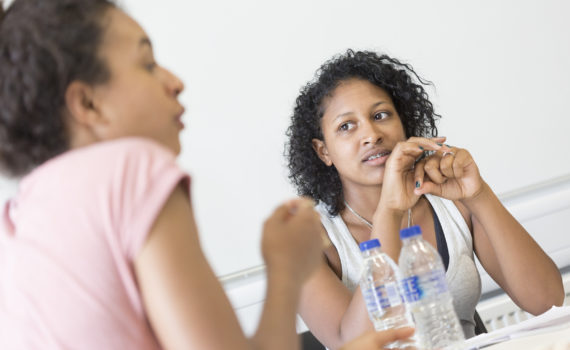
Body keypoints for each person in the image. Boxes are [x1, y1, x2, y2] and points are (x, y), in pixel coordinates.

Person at [0, 1, 415, 349]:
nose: (175, 82)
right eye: (147, 64)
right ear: (87, 104)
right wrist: (287, 269)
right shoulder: (129, 170)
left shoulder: (22, 214)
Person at [285, 49, 565, 349]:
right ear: (323, 151)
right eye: (346, 126)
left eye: (381, 115)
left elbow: (548, 302)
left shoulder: (452, 205)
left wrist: (479, 195)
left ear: (403, 124)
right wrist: (389, 213)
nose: (371, 134)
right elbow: (355, 343)